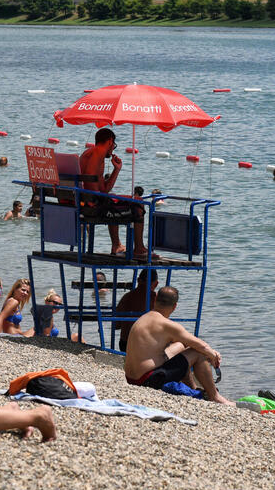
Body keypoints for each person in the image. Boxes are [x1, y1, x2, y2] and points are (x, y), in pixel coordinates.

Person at [124, 286, 232, 404]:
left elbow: (187, 342)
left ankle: (193, 388)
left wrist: (208, 351)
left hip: (131, 378)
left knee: (181, 345)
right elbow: (201, 346)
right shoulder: (167, 324)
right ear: (175, 306)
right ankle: (215, 396)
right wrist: (213, 355)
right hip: (148, 380)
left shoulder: (143, 318)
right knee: (198, 352)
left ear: (155, 300)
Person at [79, 127, 150, 258]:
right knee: (138, 202)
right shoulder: (99, 151)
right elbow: (89, 177)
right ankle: (139, 248)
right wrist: (100, 198)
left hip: (87, 202)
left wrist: (116, 169)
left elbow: (104, 189)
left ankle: (117, 244)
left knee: (113, 197)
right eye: (114, 146)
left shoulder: (90, 152)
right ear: (110, 141)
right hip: (93, 205)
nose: (112, 150)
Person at [115, 270, 158, 352]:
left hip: (125, 344)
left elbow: (116, 325)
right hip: (146, 344)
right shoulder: (156, 299)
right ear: (156, 284)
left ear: (138, 280)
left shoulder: (127, 297)